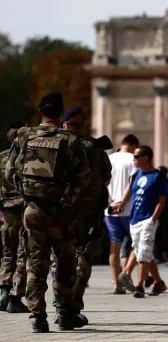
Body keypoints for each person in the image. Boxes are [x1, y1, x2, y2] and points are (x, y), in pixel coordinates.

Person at [5, 92, 90, 332]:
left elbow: (10, 172)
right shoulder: (71, 140)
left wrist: (27, 193)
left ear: (40, 111)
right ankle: (64, 315)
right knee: (63, 264)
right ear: (61, 112)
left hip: (32, 209)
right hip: (61, 211)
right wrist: (67, 199)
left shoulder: (23, 135)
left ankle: (37, 319)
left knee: (35, 263)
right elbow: (84, 177)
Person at [53, 106, 112, 326]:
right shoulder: (94, 148)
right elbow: (106, 178)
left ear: (64, 124)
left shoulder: (53, 144)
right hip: (87, 213)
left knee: (57, 260)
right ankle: (72, 308)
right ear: (82, 124)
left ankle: (57, 309)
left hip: (56, 210)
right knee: (83, 259)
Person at [112, 146, 167, 298]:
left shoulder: (158, 176)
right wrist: (120, 205)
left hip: (148, 220)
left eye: (136, 157)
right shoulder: (136, 175)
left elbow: (162, 201)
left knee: (142, 253)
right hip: (134, 219)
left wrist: (153, 219)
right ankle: (158, 283)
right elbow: (129, 192)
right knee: (143, 252)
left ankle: (139, 286)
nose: (133, 160)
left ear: (145, 158)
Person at [0, 122, 29, 314]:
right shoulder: (29, 155)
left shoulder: (1, 157)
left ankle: (3, 290)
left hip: (8, 211)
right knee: (23, 252)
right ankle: (15, 297)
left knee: (8, 252)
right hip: (26, 208)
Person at [105, 134, 139, 294]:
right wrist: (122, 203)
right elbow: (132, 184)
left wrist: (112, 202)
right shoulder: (133, 159)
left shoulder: (109, 159)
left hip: (110, 211)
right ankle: (126, 274)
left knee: (114, 247)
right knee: (136, 245)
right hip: (130, 210)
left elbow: (103, 183)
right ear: (133, 146)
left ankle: (116, 284)